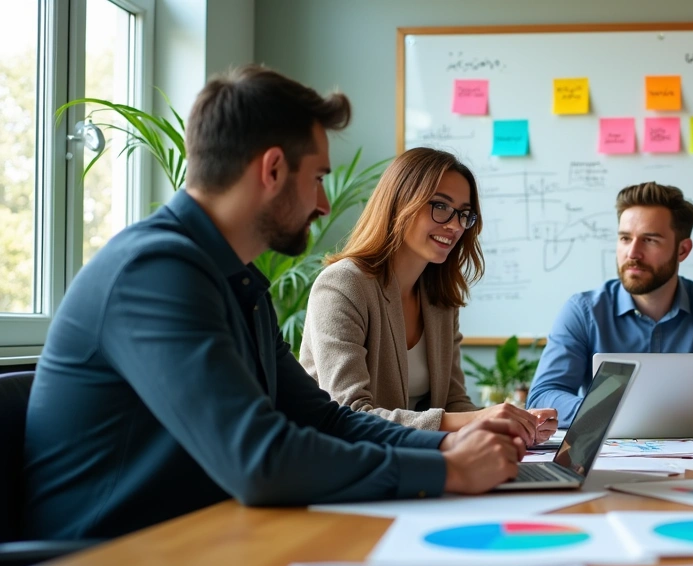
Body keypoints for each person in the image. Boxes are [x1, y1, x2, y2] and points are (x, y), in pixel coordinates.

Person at [23, 65, 528, 541]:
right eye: (319, 178)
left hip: (198, 540)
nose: (325, 204)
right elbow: (260, 459)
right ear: (272, 169)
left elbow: (327, 419)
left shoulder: (237, 282)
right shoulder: (153, 272)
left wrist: (446, 445)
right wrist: (447, 469)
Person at [299, 147, 556, 445]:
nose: (455, 225)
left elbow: (455, 403)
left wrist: (513, 425)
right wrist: (479, 419)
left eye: (464, 214)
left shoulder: (440, 300)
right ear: (399, 203)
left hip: (412, 459)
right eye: (440, 206)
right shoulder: (343, 285)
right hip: (343, 463)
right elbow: (350, 415)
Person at [527, 182, 693, 432]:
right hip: (608, 461)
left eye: (649, 240)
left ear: (682, 250)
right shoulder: (583, 311)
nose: (632, 253)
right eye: (625, 238)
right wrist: (618, 414)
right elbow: (543, 396)